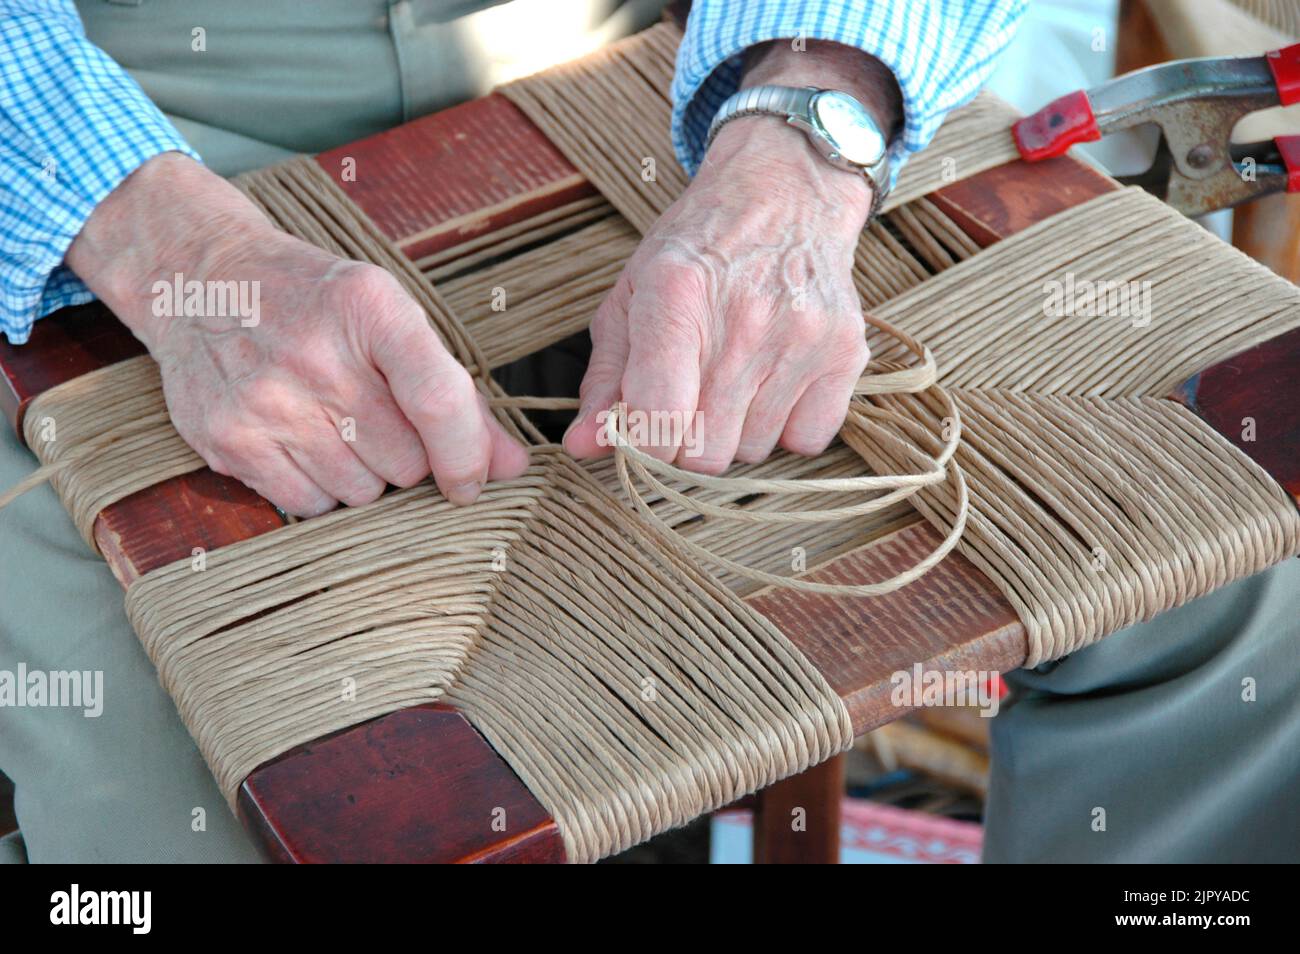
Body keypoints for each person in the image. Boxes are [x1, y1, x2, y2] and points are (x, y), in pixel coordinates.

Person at [6, 0, 1292, 865]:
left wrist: (809, 120)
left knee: (1241, 562)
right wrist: (166, 245)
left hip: (686, 66)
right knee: (199, 801)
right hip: (108, 145)